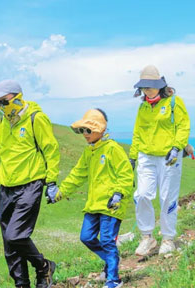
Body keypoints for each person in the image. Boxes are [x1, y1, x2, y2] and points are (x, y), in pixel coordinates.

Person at [0, 79, 60, 288]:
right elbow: (0, 150)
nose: (1, 107)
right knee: (9, 243)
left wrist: (51, 182)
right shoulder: (4, 122)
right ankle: (21, 284)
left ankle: (44, 267)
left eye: (4, 102)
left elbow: (51, 149)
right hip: (7, 186)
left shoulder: (36, 119)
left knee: (16, 235)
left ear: (17, 98)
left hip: (31, 184)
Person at [49, 108, 133, 288]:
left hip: (111, 204)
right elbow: (77, 175)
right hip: (94, 204)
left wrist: (118, 193)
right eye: (82, 131)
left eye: (88, 130)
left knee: (107, 240)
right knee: (86, 237)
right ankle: (112, 261)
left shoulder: (113, 149)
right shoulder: (89, 152)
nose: (84, 134)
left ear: (100, 129)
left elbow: (126, 174)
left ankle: (114, 279)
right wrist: (59, 193)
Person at [130, 65, 191, 257]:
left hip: (169, 157)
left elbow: (183, 126)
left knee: (167, 198)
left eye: (151, 85)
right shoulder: (143, 107)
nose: (147, 89)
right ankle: (147, 237)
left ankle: (168, 238)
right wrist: (133, 156)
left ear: (159, 84)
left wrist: (176, 147)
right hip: (146, 155)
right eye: (144, 86)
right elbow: (137, 133)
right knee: (142, 195)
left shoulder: (174, 102)